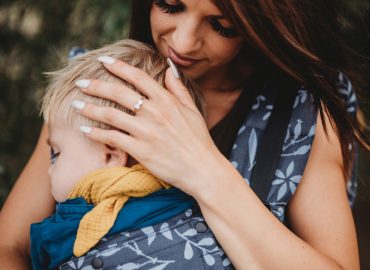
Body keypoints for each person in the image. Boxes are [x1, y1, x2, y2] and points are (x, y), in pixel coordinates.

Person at [0, 0, 368, 269]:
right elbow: (10, 246)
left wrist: (201, 167)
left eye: (223, 26)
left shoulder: (300, 116)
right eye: (170, 5)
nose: (184, 42)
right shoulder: (99, 88)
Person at [29, 39, 205, 269]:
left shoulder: (68, 230)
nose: (50, 169)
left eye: (56, 154)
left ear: (110, 156)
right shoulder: (195, 207)